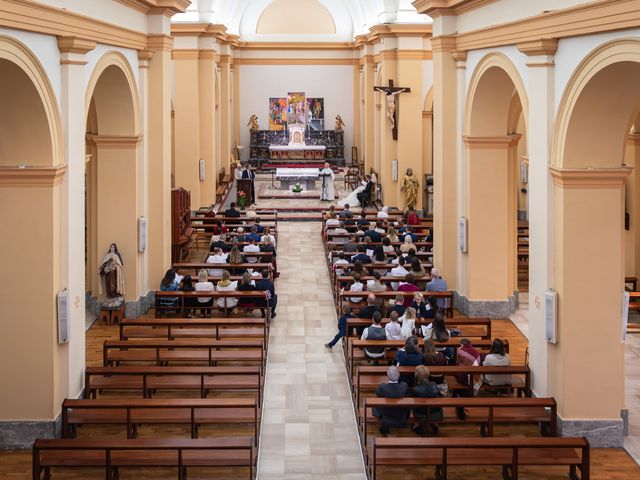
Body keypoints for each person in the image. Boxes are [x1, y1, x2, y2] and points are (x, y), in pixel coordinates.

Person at [373, 366, 409, 435]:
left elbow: (378, 394)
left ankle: (385, 424)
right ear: (398, 375)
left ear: (387, 375)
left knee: (376, 401)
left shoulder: (382, 387)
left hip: (386, 412)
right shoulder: (404, 386)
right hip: (399, 412)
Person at [411, 365, 443, 436]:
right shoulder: (433, 384)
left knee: (413, 407)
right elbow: (440, 397)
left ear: (417, 376)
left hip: (421, 413)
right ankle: (435, 424)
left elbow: (413, 403)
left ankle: (416, 425)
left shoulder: (416, 389)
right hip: (435, 412)